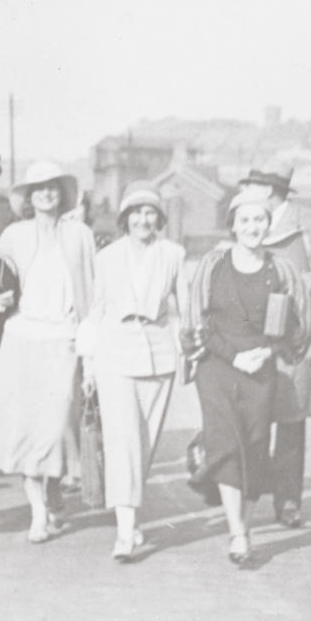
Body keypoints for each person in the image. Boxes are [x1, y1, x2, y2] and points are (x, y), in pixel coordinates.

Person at [186, 191, 311, 566]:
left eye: (259, 220)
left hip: (261, 369)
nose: (252, 228)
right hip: (218, 366)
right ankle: (238, 532)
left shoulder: (281, 269)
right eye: (244, 221)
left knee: (256, 448)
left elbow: (299, 323)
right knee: (225, 443)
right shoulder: (214, 266)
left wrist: (270, 352)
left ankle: (243, 523)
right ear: (232, 226)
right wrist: (233, 355)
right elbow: (198, 323)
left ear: (268, 224)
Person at [75, 182, 190, 561]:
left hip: (158, 354)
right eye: (136, 212)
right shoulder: (107, 257)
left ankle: (131, 516)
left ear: (159, 218)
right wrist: (89, 361)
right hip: (115, 350)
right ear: (125, 218)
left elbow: (186, 312)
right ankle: (124, 533)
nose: (144, 219)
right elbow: (97, 310)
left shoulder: (173, 254)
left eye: (150, 212)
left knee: (144, 443)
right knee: (123, 440)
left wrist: (190, 350)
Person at [0, 159, 96, 543]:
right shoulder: (13, 235)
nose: (46, 193)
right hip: (21, 339)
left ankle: (51, 491)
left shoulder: (80, 235)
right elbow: (0, 283)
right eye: (39, 188)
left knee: (55, 425)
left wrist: (90, 341)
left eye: (53, 187)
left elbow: (91, 292)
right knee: (27, 429)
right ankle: (38, 512)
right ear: (29, 197)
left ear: (62, 194)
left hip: (63, 338)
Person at [236, 162, 311, 529]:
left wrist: (298, 312)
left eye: (251, 186)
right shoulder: (246, 220)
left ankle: (288, 500)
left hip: (293, 341)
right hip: (251, 338)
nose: (244, 192)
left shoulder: (310, 224)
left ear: (271, 191)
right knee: (250, 418)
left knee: (290, 421)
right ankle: (247, 494)